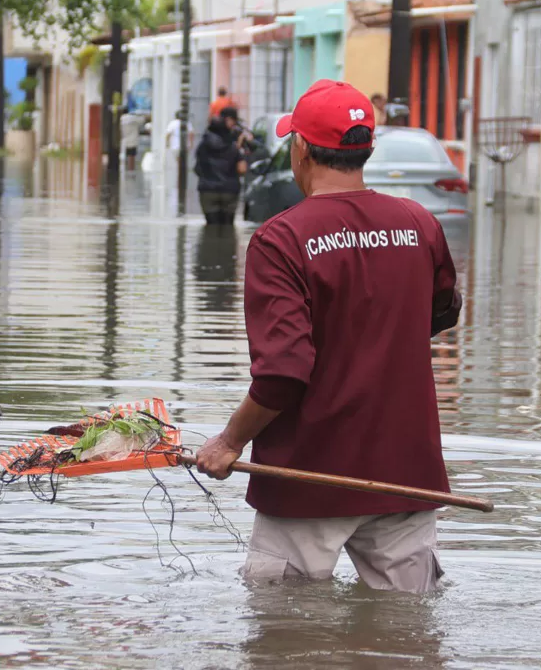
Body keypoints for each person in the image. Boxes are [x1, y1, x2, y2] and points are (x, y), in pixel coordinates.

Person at [195, 79, 462, 594]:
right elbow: (442, 311)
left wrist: (229, 442)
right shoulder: (419, 223)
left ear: (300, 149)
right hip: (406, 472)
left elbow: (282, 373)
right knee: (406, 635)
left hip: (307, 479)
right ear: (365, 150)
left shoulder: (281, 240)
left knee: (282, 634)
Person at [194, 107, 250, 225]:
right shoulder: (234, 146)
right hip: (230, 191)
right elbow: (242, 169)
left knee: (211, 228)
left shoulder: (204, 143)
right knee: (228, 229)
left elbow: (197, 167)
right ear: (229, 121)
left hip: (207, 190)